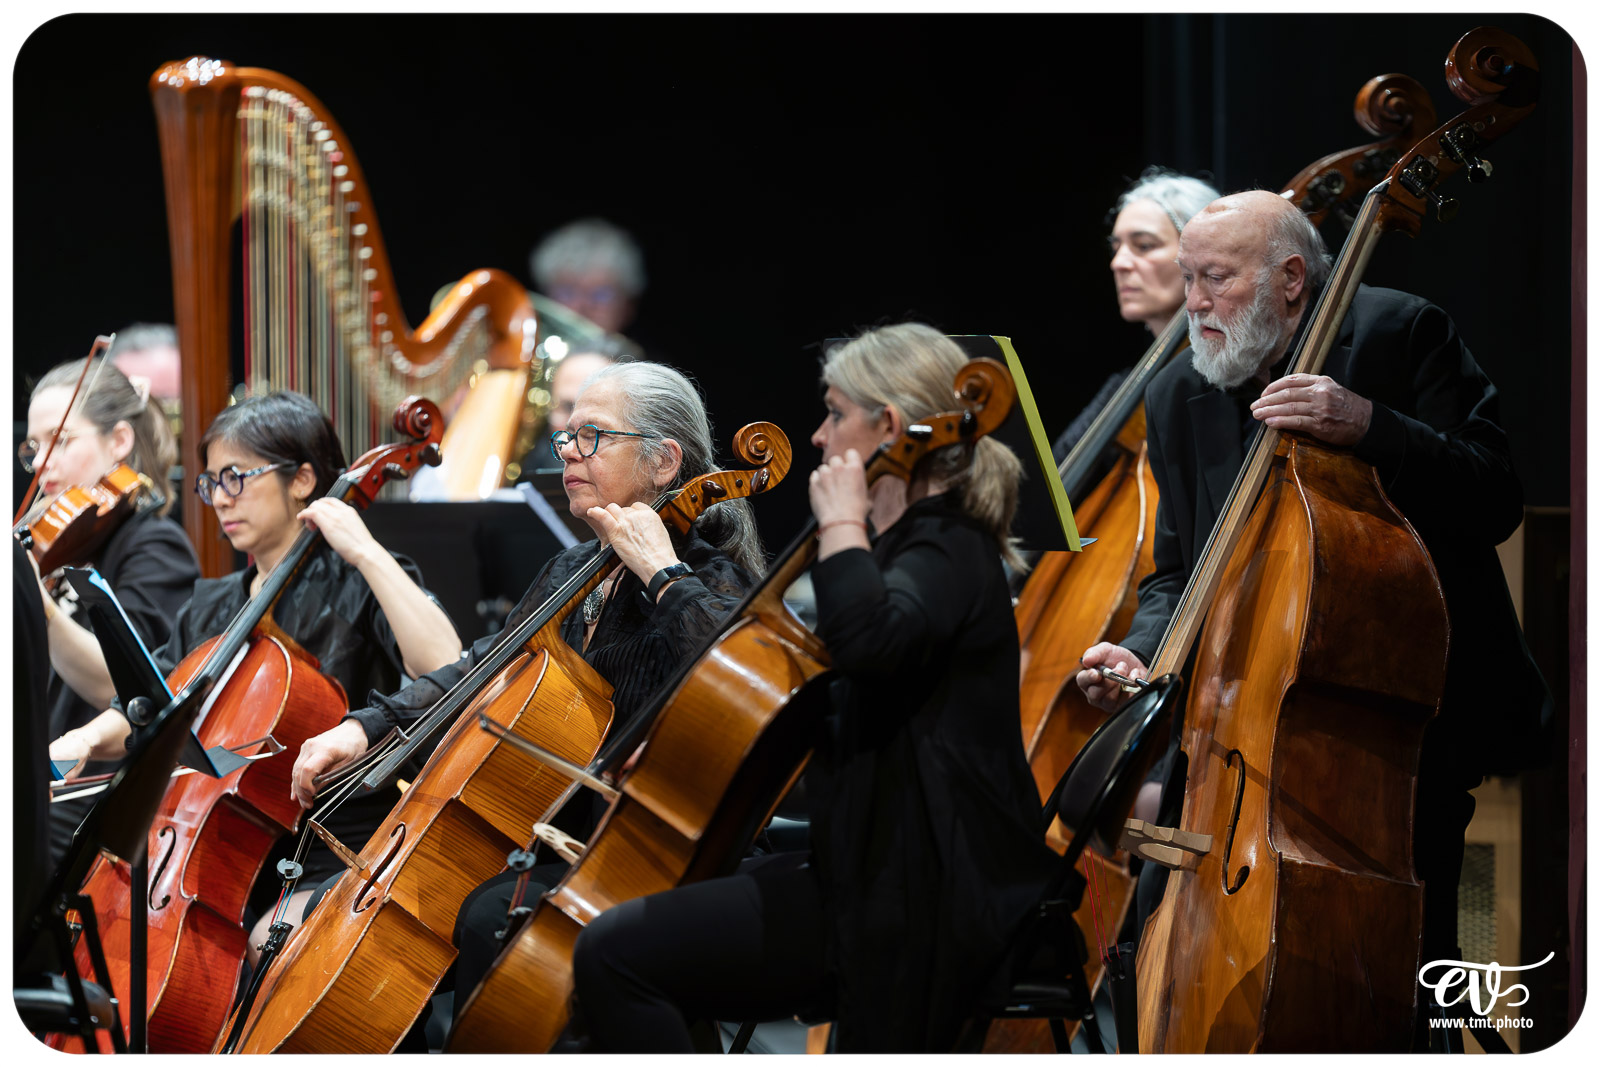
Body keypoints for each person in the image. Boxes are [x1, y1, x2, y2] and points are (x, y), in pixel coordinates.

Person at [1073, 189, 1551, 1036]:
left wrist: (1370, 424)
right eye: (1185, 279)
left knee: (1401, 990)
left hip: (1398, 730)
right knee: (1147, 941)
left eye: (1214, 278)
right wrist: (1148, 653)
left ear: (1291, 279)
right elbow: (1176, 572)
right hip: (1242, 738)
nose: (1192, 304)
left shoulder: (1400, 332)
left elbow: (1495, 493)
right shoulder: (1180, 390)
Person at [568, 323, 1056, 1052]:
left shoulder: (948, 545)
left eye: (834, 413)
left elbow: (868, 648)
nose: (822, 438)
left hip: (929, 890)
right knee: (630, 938)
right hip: (866, 860)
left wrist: (840, 523)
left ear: (887, 426)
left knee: (620, 952)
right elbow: (840, 704)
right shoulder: (902, 548)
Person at [286, 361, 764, 1015]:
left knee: (490, 916)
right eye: (567, 435)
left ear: (663, 461)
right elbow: (483, 665)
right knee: (385, 899)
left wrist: (660, 570)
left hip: (650, 848)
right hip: (549, 833)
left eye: (593, 436)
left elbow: (730, 675)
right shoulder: (573, 567)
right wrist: (365, 725)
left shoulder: (709, 578)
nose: (568, 451)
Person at [47, 390, 464, 961]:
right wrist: (87, 739)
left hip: (330, 843)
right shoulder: (212, 605)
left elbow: (446, 664)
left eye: (236, 477)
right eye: (210, 481)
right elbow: (158, 702)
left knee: (269, 950)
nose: (219, 498)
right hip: (223, 843)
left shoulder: (360, 582)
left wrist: (366, 552)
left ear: (302, 480)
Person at [20, 357, 201, 869]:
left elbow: (122, 685)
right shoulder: (57, 550)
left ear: (119, 441)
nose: (40, 463)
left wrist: (38, 601)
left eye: (60, 441)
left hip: (95, 802)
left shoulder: (153, 546)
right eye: (33, 448)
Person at [1053, 168, 1220, 463]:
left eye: (1143, 246)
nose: (1119, 263)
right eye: (1116, 247)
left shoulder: (1229, 380)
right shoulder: (1126, 387)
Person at [530, 218, 647, 336]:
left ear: (628, 307)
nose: (582, 308)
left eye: (602, 295)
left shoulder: (638, 355)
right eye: (566, 293)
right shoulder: (522, 352)